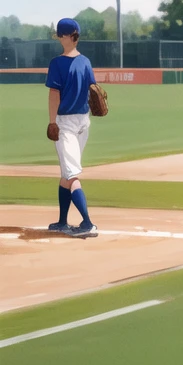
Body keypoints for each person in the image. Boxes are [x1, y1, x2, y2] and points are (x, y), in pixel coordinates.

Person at [45, 18, 97, 237]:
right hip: (84, 121)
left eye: (59, 34)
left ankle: (87, 223)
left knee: (72, 174)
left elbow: (54, 94)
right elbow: (93, 89)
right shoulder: (85, 61)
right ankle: (62, 221)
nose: (58, 37)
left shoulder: (57, 63)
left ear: (64, 36)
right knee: (66, 174)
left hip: (66, 122)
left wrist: (52, 121)